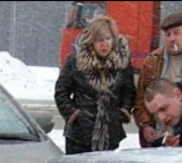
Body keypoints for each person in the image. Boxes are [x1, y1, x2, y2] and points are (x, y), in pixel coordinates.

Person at [54, 16, 136, 154]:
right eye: (99, 40)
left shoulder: (122, 62)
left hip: (111, 132)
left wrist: (123, 112)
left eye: (108, 39)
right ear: (91, 40)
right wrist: (74, 114)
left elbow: (129, 90)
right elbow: (61, 92)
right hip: (80, 134)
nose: (104, 44)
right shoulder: (76, 61)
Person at [133, 11, 182, 147]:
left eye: (176, 33)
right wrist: (146, 124)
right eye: (168, 34)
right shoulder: (152, 62)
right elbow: (141, 99)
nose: (172, 38)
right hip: (159, 136)